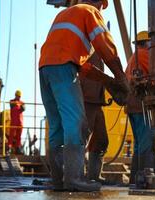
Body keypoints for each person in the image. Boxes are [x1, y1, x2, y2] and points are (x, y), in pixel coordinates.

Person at [39, 0, 128, 192]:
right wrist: (120, 76)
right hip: (63, 69)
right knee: (76, 123)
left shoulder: (66, 14)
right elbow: (105, 45)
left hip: (45, 69)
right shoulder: (90, 11)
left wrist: (107, 81)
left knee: (57, 126)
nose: (102, 10)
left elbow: (82, 66)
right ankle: (74, 179)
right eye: (102, 6)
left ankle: (58, 180)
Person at [124, 31, 155, 185]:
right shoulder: (144, 55)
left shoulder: (132, 58)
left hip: (132, 106)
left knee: (138, 145)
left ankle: (135, 179)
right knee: (147, 142)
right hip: (141, 105)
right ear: (146, 43)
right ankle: (145, 179)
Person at [80, 53, 109, 184]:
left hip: (97, 102)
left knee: (102, 141)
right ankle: (78, 175)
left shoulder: (99, 54)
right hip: (86, 101)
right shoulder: (84, 50)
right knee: (81, 140)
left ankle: (94, 175)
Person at [9, 90, 25, 154]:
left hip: (20, 122)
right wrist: (18, 103)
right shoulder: (12, 102)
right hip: (14, 121)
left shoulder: (22, 103)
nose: (18, 97)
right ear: (15, 95)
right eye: (17, 96)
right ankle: (9, 147)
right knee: (11, 135)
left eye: (19, 96)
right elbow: (12, 105)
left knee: (19, 136)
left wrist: (21, 105)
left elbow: (23, 108)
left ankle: (18, 148)